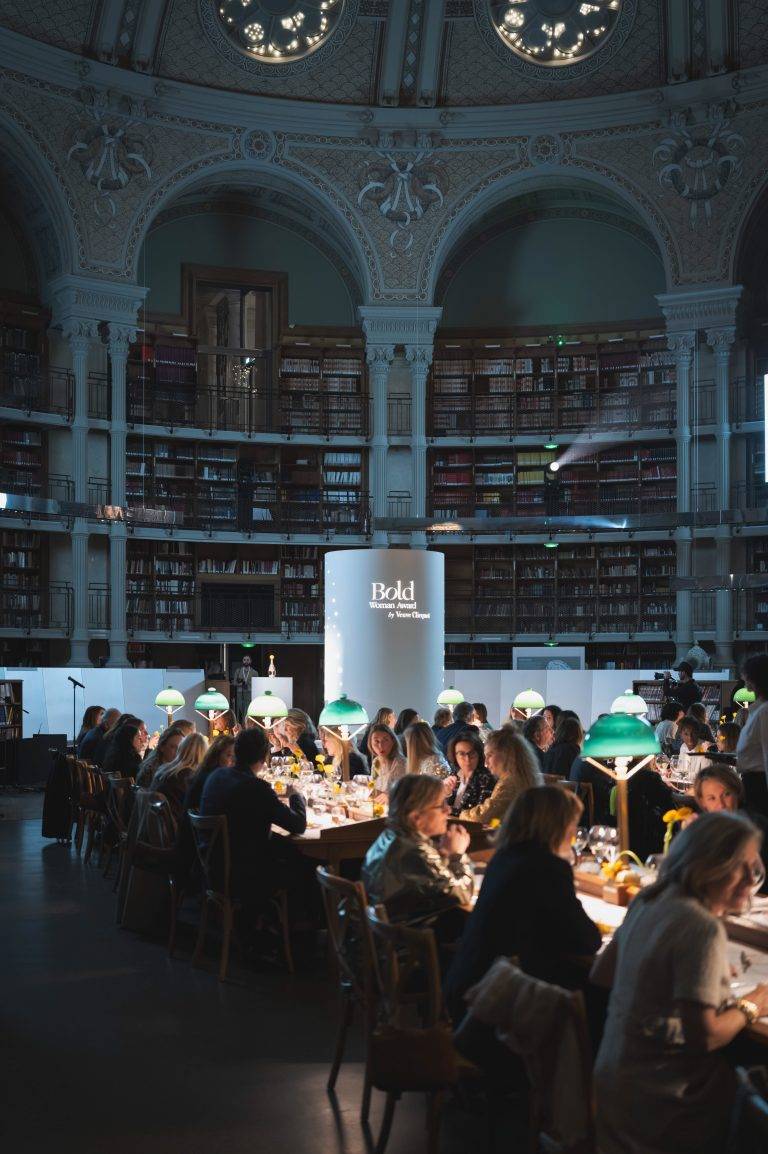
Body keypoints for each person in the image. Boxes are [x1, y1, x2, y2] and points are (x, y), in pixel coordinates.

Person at [592, 813, 768, 1154]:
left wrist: (681, 973)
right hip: (663, 1102)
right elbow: (706, 1036)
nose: (751, 879)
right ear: (706, 865)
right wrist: (753, 1003)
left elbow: (601, 974)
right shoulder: (702, 927)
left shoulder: (649, 898)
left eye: (755, 868)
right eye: (739, 867)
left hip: (613, 1083)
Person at [445, 786, 601, 1024]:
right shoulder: (547, 866)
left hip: (469, 984)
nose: (573, 833)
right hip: (494, 1004)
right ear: (557, 826)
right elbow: (588, 940)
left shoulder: (504, 856)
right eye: (572, 824)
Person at [200, 727, 309, 913]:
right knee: (305, 864)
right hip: (244, 874)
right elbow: (298, 825)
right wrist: (295, 795)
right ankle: (294, 929)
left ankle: (262, 922)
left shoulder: (217, 776)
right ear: (264, 756)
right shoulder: (256, 788)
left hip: (211, 866)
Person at [362, 774, 473, 931]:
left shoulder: (391, 835)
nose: (448, 810)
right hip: (406, 947)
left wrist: (446, 854)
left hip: (383, 933)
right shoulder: (413, 853)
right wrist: (457, 855)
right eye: (440, 805)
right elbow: (461, 895)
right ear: (416, 817)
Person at [459, 727, 542, 825]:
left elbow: (482, 816)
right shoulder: (521, 776)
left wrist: (462, 814)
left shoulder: (510, 783)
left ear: (507, 754)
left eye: (490, 755)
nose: (486, 762)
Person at [151, 732, 208, 822]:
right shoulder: (188, 777)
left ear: (181, 748)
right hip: (176, 830)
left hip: (156, 828)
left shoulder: (163, 770)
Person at [444, 730, 495, 817]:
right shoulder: (455, 775)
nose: (467, 759)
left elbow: (479, 815)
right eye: (461, 754)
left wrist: (446, 809)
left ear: (479, 754)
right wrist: (446, 793)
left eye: (472, 753)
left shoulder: (486, 779)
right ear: (454, 756)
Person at [135, 722, 188, 788]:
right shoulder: (152, 770)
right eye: (173, 747)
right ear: (162, 747)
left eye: (181, 747)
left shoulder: (180, 769)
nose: (178, 751)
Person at [367, 724, 406, 794]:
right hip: (379, 803)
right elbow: (373, 787)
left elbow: (402, 793)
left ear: (393, 741)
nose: (381, 745)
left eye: (385, 740)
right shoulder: (376, 761)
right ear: (371, 744)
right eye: (376, 741)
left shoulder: (400, 763)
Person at [233, 654, 253, 724]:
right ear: (242, 661)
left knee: (247, 711)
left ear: (250, 661)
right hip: (239, 693)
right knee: (240, 710)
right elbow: (234, 683)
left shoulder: (254, 672)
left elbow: (256, 684)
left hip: (249, 693)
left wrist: (248, 683)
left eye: (248, 660)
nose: (246, 661)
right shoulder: (238, 671)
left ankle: (247, 725)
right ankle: (240, 725)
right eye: (244, 660)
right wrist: (240, 684)